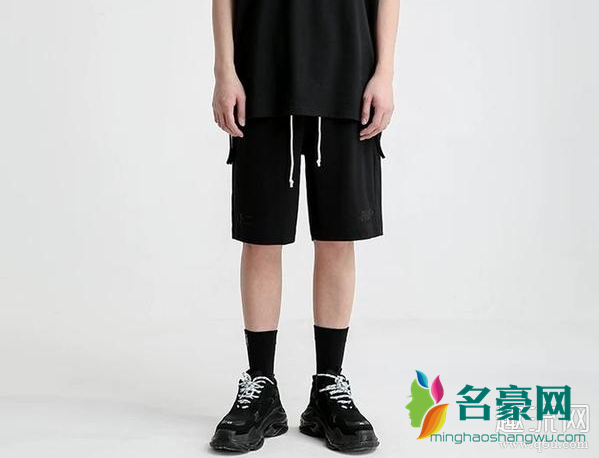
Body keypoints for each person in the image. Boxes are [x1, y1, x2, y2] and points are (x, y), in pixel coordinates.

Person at [209, 0, 400, 453]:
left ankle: (328, 386)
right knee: (261, 237)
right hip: (261, 73)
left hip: (348, 76)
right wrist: (224, 70)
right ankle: (261, 386)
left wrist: (385, 72)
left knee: (337, 237)